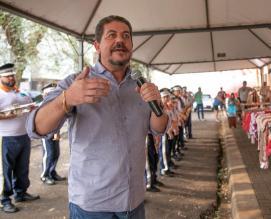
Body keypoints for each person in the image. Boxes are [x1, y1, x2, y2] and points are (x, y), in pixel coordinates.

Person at [26, 15, 168, 218]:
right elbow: (35, 128)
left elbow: (159, 128)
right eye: (112, 35)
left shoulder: (141, 85)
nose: (120, 40)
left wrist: (158, 106)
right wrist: (66, 99)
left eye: (125, 36)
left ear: (131, 45)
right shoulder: (76, 82)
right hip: (92, 207)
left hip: (134, 202)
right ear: (97, 45)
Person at [0, 63, 40, 213]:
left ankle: (20, 193)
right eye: (7, 76)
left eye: (12, 75)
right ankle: (4, 200)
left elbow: (32, 105)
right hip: (6, 138)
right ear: (1, 77)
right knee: (6, 170)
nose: (11, 78)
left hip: (24, 136)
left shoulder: (20, 92)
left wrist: (32, 107)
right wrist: (5, 116)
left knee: (22, 168)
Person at [40, 82, 67, 186]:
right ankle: (45, 175)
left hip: (55, 132)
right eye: (48, 94)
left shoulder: (55, 105)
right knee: (48, 154)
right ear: (44, 95)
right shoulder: (42, 106)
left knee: (56, 153)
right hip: (46, 134)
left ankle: (52, 172)